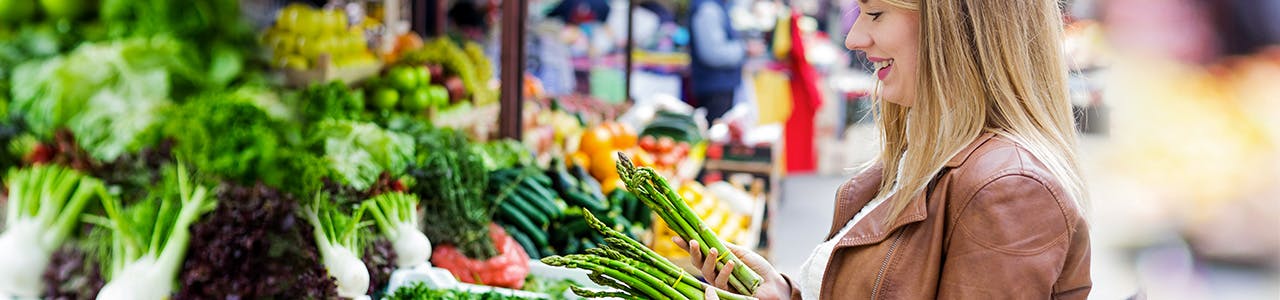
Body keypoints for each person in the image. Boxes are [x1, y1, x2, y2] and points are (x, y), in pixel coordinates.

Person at [677, 0, 1093, 298]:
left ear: (956, 25)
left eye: (876, 13)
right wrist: (787, 293)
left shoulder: (1010, 189)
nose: (855, 37)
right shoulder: (922, 154)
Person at [688, 0, 760, 123]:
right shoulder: (708, 9)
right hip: (714, 90)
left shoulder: (715, 7)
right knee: (716, 135)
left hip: (718, 87)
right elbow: (712, 53)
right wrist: (744, 49)